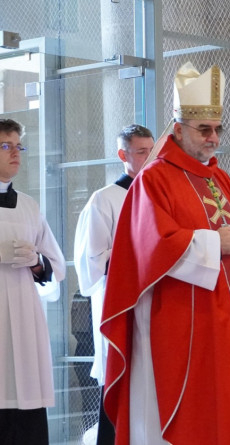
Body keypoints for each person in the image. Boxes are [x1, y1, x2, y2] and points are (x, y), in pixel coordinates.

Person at [100, 63, 230, 445]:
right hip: (182, 325)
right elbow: (152, 246)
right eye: (204, 129)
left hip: (228, 324)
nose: (213, 138)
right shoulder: (153, 180)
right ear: (179, 128)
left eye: (217, 129)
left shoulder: (220, 179)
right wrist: (213, 244)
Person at [74, 123, 154, 445]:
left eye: (153, 151)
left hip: (155, 304)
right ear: (123, 155)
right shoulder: (104, 199)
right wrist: (140, 254)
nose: (151, 158)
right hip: (119, 303)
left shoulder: (160, 197)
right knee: (120, 383)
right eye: (142, 152)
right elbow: (91, 261)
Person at [0, 118, 66, 445]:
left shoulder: (28, 205)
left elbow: (55, 263)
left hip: (25, 320)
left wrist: (37, 262)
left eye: (19, 146)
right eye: (6, 146)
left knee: (26, 408)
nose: (16, 153)